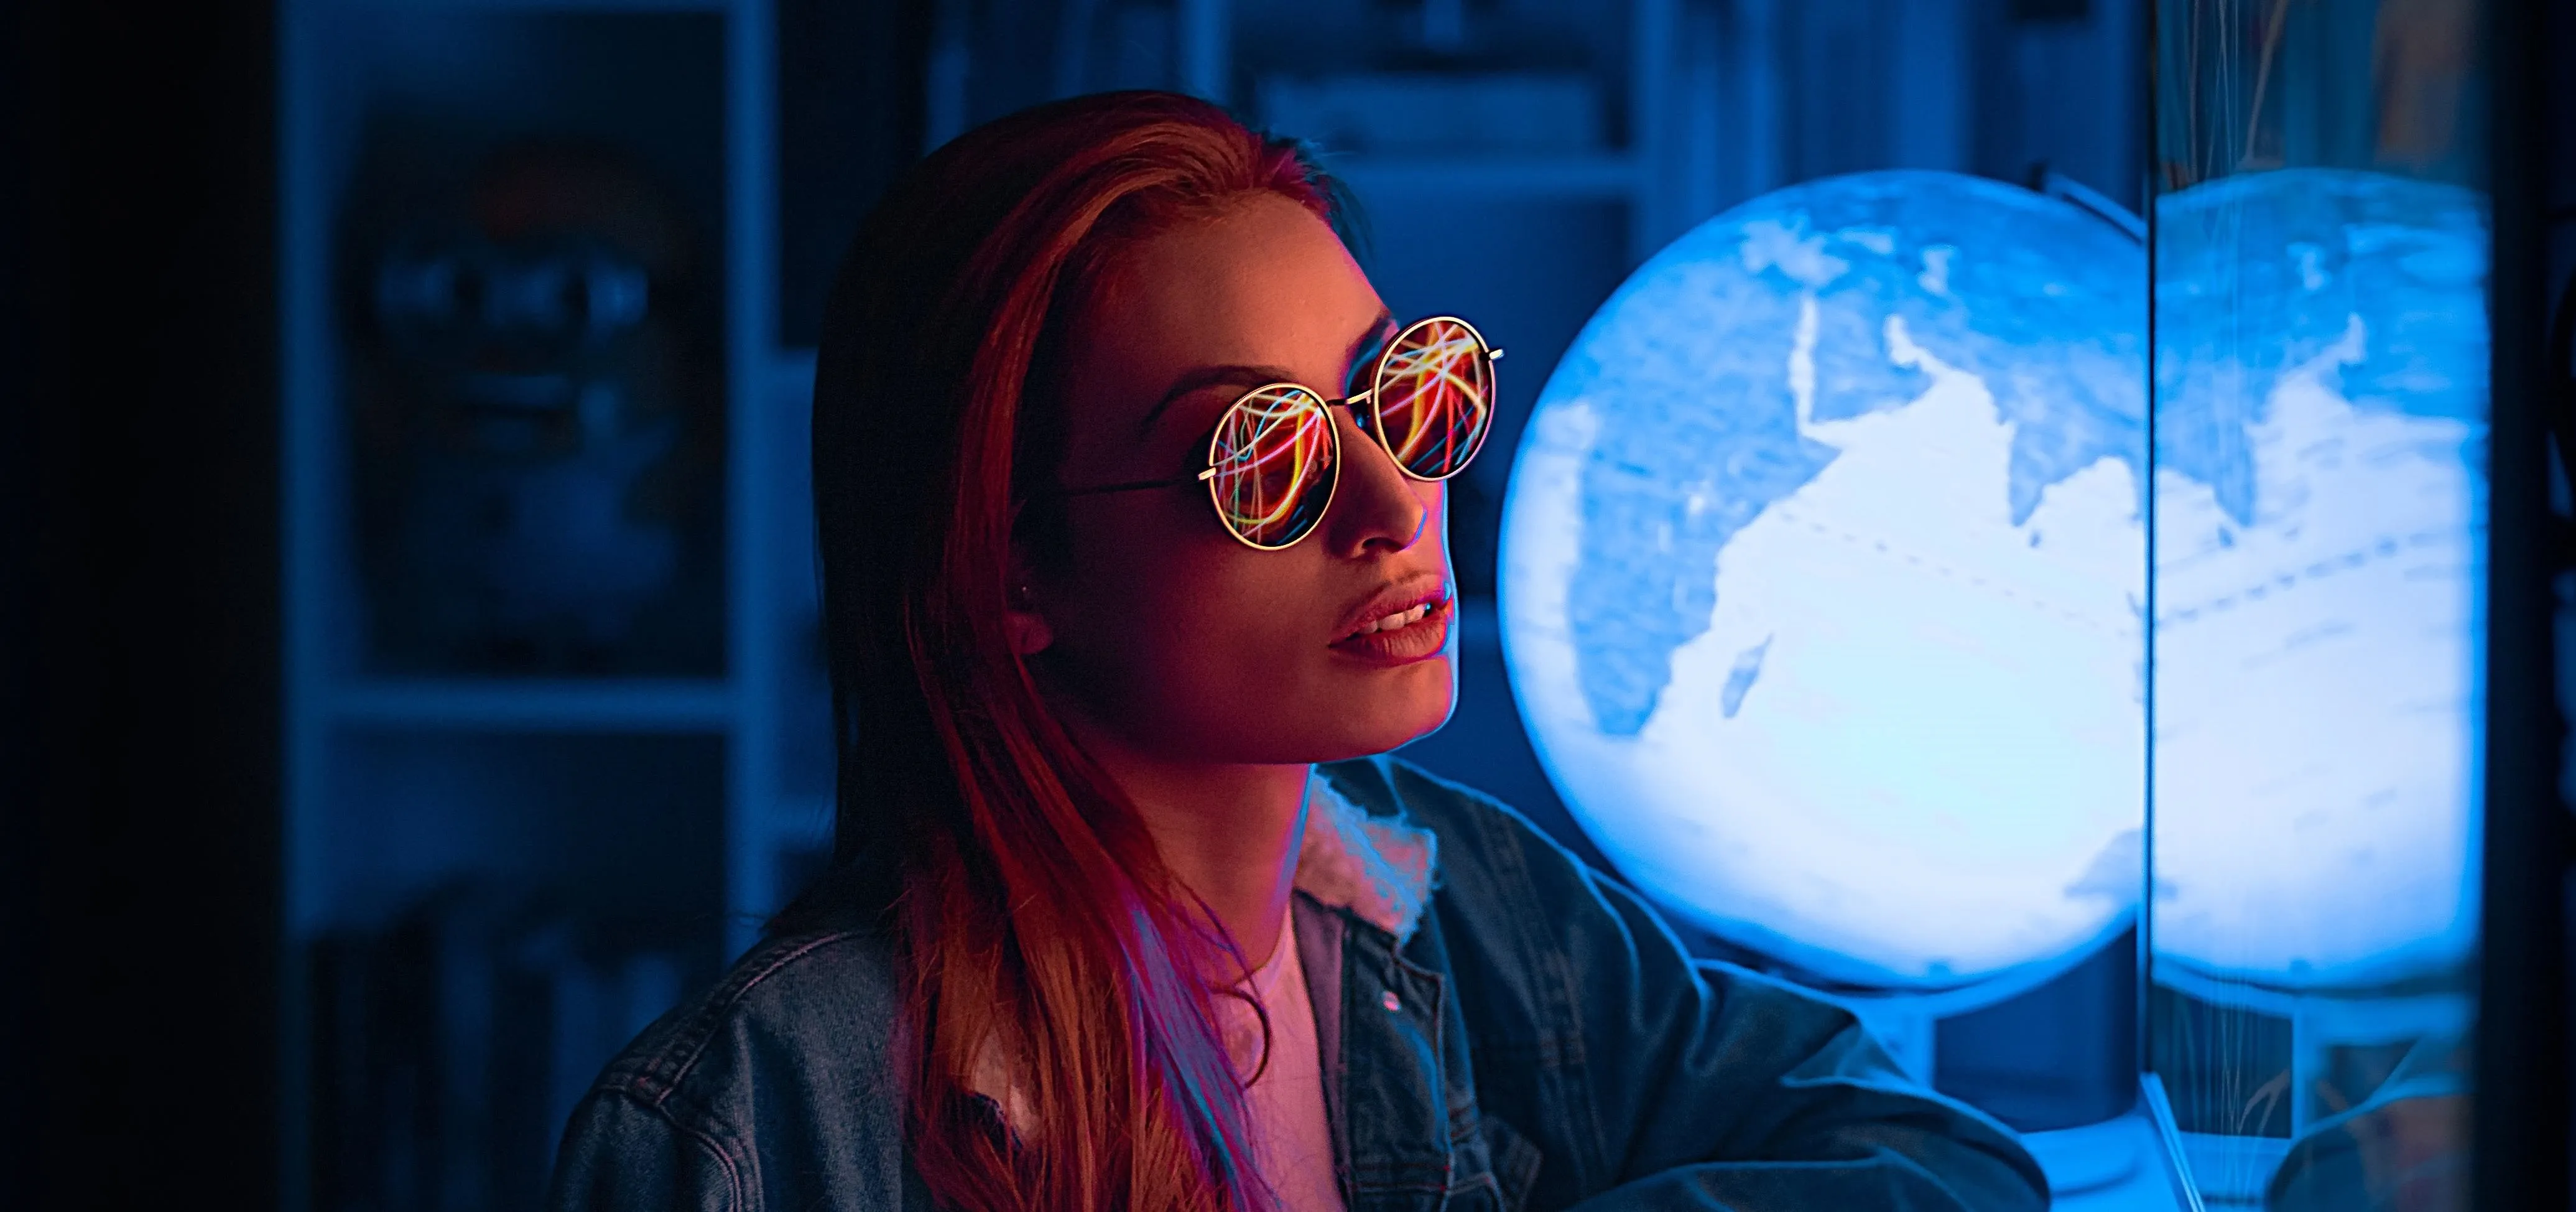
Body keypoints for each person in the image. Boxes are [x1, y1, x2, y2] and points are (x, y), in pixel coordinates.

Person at [549, 90, 2048, 1212]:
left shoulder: (1460, 902)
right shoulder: (758, 1119)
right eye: (1258, 459)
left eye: (1411, 392)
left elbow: (1938, 1160)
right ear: (1009, 569)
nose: (1400, 500)